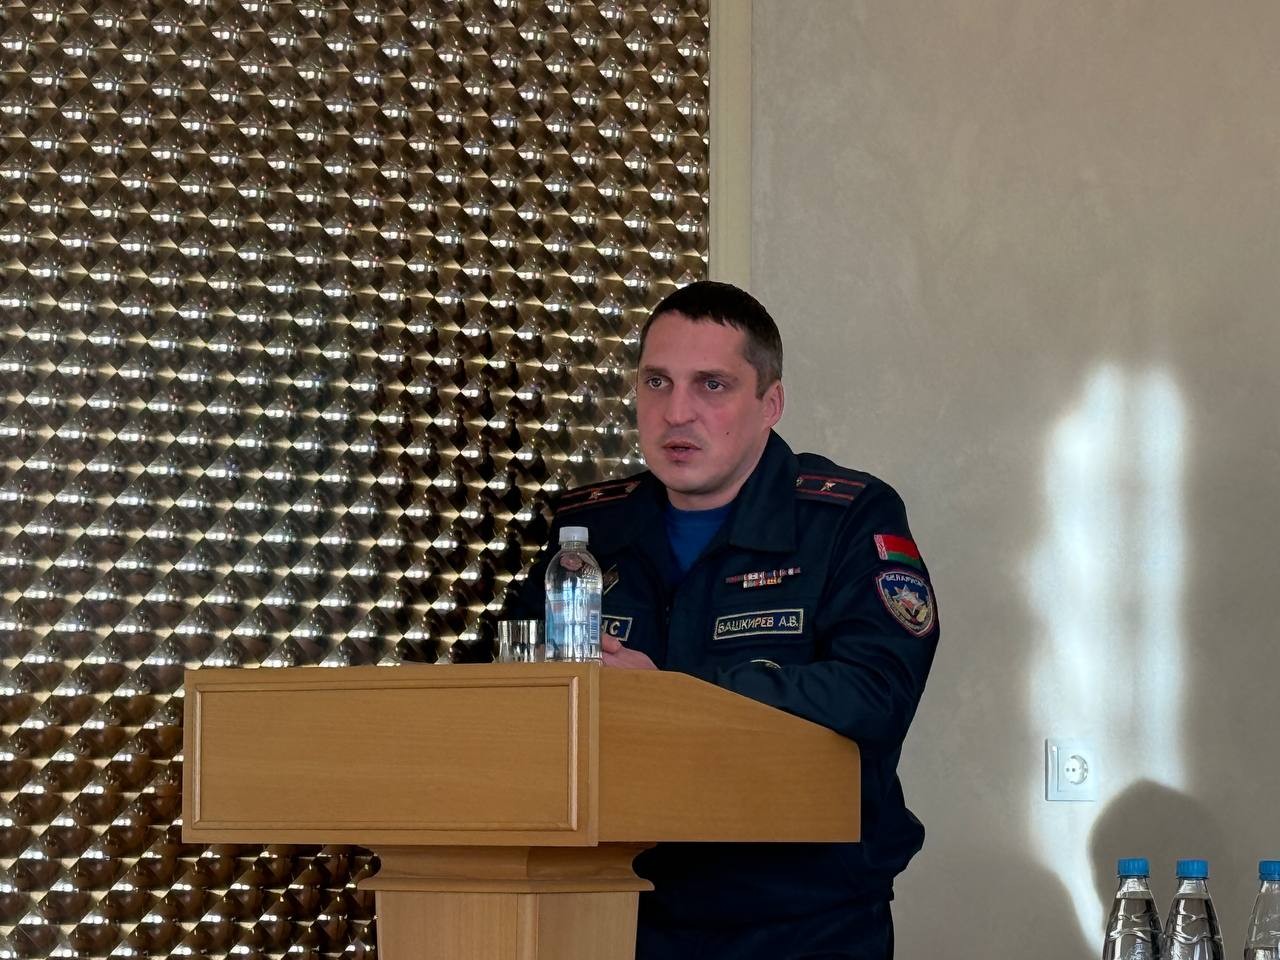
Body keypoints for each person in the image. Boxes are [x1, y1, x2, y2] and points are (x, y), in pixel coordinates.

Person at [505, 280, 938, 960]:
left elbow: (874, 692)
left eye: (712, 385)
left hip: (802, 920)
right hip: (613, 907)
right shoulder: (587, 532)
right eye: (657, 382)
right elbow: (505, 687)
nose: (677, 412)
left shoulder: (846, 517)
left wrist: (667, 694)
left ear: (771, 403)